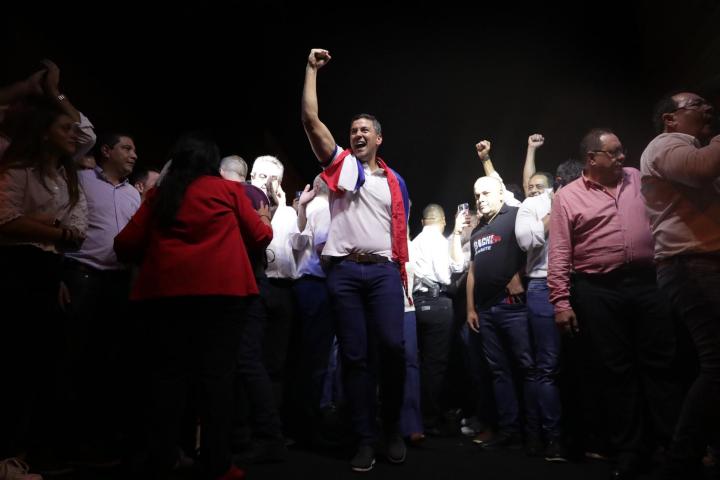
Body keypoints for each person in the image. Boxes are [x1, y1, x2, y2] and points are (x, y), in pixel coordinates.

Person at [114, 133, 272, 480]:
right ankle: (217, 464)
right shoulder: (229, 191)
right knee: (217, 381)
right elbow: (260, 237)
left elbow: (125, 244)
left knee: (167, 381)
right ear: (212, 164)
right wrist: (263, 220)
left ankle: (164, 458)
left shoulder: (159, 195)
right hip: (223, 298)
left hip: (166, 298)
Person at [549, 128, 682, 479]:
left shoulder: (637, 178)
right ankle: (630, 451)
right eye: (615, 152)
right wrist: (561, 302)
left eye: (622, 150)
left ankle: (673, 445)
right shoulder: (567, 197)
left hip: (648, 283)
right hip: (599, 290)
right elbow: (560, 252)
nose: (623, 156)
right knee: (616, 371)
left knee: (661, 365)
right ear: (592, 158)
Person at [301, 48, 410, 472]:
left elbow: (400, 235)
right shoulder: (342, 166)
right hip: (345, 272)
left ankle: (392, 428)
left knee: (393, 347)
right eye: (353, 130)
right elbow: (311, 120)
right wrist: (311, 70)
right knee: (354, 356)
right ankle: (365, 439)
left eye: (365, 130)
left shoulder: (395, 182)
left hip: (383, 271)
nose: (358, 134)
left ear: (379, 138)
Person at [0, 100, 88, 472]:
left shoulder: (67, 179)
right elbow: (5, 221)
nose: (74, 135)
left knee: (45, 364)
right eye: (65, 128)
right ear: (43, 133)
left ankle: (27, 452)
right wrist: (56, 230)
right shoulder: (18, 170)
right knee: (15, 362)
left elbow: (78, 230)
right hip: (14, 267)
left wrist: (42, 227)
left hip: (50, 269)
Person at [640, 91, 720, 479]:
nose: (708, 108)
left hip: (700, 263)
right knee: (717, 364)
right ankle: (681, 463)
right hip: (692, 264)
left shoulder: (692, 147)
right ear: (670, 119)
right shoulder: (666, 144)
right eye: (697, 105)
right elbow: (703, 169)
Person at [465, 175, 537, 451]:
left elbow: (538, 247)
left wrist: (520, 273)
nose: (480, 199)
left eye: (485, 194)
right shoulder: (478, 230)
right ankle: (509, 430)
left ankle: (534, 433)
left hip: (512, 306)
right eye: (477, 195)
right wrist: (470, 308)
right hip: (485, 310)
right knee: (498, 371)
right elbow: (473, 272)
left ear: (500, 193)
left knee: (526, 367)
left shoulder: (516, 215)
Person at [410, 204, 464, 435]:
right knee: (435, 364)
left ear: (423, 222)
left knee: (416, 361)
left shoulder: (413, 243)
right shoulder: (441, 242)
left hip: (415, 304)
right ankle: (430, 418)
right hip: (438, 303)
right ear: (443, 221)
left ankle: (414, 417)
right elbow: (446, 274)